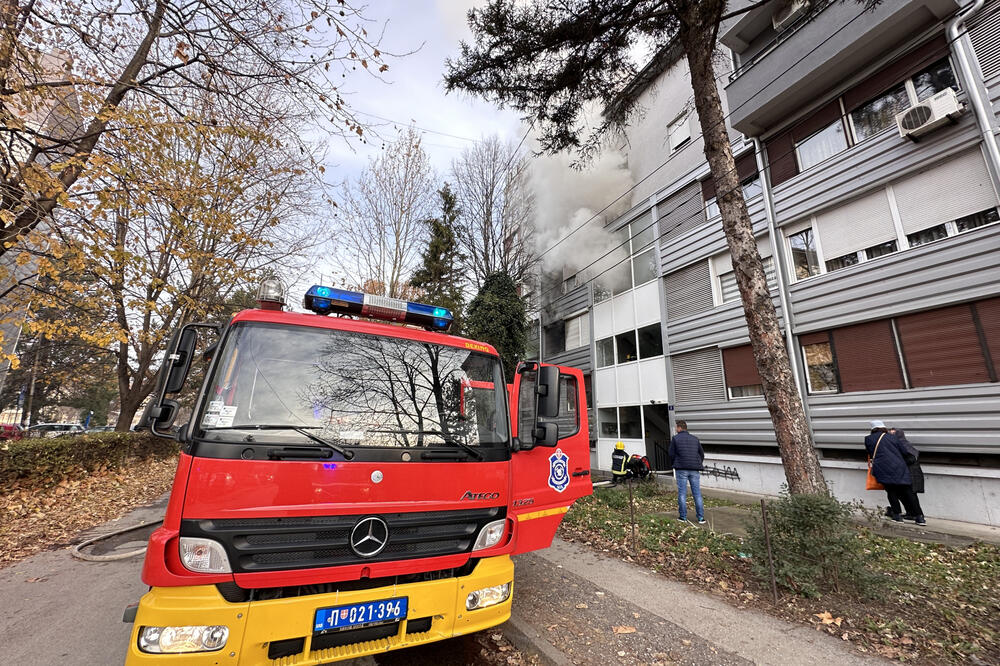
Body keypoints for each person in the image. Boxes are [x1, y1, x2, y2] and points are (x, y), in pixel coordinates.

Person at [865, 420, 925, 525]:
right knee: (908, 492)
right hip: (899, 467)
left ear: (872, 429)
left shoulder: (868, 439)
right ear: (883, 427)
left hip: (882, 468)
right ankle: (919, 517)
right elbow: (904, 451)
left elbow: (871, 452)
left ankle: (897, 515)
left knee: (891, 491)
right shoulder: (893, 437)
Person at [669, 420, 705, 524]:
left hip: (681, 469)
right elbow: (701, 454)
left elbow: (671, 454)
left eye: (676, 427)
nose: (676, 429)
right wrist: (697, 463)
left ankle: (683, 517)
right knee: (697, 494)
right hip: (695, 469)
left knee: (682, 494)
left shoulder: (675, 439)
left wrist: (674, 464)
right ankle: (701, 518)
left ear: (680, 428)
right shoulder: (695, 439)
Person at [891, 427, 925, 501]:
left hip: (911, 474)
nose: (891, 435)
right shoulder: (900, 444)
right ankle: (912, 512)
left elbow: (911, 459)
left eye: (893, 433)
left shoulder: (903, 444)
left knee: (911, 495)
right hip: (907, 474)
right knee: (905, 495)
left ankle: (917, 512)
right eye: (890, 433)